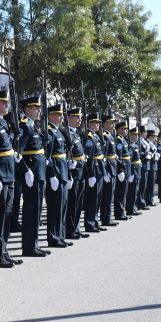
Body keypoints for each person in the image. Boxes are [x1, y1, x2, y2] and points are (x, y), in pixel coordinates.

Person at [0, 90, 22, 267]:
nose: (7, 106)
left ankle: (4, 251)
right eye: (4, 103)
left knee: (7, 216)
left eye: (8, 103)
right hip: (0, 175)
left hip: (9, 174)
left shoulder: (4, 122)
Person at [17, 96, 51, 255]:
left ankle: (34, 244)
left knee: (37, 210)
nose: (39, 110)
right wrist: (25, 170)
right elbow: (17, 153)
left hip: (39, 173)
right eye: (35, 108)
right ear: (27, 109)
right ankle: (29, 247)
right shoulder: (25, 126)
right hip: (32, 174)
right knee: (31, 210)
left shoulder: (33, 126)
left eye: (39, 107)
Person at [45, 105, 72, 247]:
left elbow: (64, 153)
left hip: (63, 172)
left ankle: (60, 235)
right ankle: (53, 236)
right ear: (50, 116)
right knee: (55, 207)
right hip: (55, 172)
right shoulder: (49, 132)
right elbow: (47, 158)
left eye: (62, 115)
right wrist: (52, 175)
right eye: (58, 115)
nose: (61, 118)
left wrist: (69, 175)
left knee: (62, 206)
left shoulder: (59, 132)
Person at [65, 108, 89, 239]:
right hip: (73, 172)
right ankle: (70, 230)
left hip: (80, 171)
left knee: (79, 202)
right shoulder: (67, 132)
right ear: (69, 118)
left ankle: (76, 228)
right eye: (77, 117)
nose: (80, 119)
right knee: (72, 202)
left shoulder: (76, 133)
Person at [83, 113, 105, 232]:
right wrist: (91, 174)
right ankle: (90, 223)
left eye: (98, 122)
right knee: (92, 199)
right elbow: (90, 157)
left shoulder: (95, 135)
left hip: (99, 169)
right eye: (95, 122)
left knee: (97, 198)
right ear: (89, 123)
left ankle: (95, 221)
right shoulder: (89, 137)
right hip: (94, 170)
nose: (98, 124)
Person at [113, 121, 131, 220]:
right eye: (124, 129)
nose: (126, 131)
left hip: (126, 168)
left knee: (124, 192)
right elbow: (118, 157)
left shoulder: (123, 140)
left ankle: (122, 211)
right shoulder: (118, 140)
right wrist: (120, 170)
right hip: (122, 169)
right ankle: (119, 213)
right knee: (120, 193)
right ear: (119, 130)